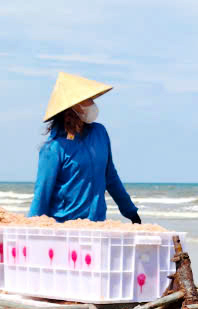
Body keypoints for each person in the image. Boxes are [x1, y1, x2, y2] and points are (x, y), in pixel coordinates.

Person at [28, 72, 141, 224]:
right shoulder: (54, 148)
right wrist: (31, 226)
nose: (92, 104)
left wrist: (130, 212)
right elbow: (42, 192)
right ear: (72, 108)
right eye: (87, 100)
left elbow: (110, 176)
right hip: (65, 226)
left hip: (96, 224)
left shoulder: (100, 133)